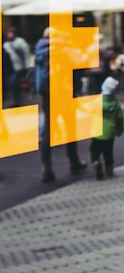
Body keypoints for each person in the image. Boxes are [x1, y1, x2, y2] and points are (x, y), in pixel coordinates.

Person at [34, 27, 87, 183]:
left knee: (48, 131)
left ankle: (46, 168)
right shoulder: (65, 49)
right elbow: (82, 63)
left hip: (47, 93)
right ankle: (74, 162)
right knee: (70, 127)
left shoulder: (41, 50)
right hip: (64, 92)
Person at [90, 76, 123, 180]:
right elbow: (120, 119)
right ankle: (109, 169)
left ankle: (96, 162)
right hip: (109, 133)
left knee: (94, 150)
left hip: (97, 131)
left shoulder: (97, 101)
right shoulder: (116, 105)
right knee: (108, 152)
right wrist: (119, 130)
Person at [3, 27, 31, 107]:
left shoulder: (20, 42)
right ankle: (17, 100)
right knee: (14, 84)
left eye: (10, 33)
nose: (8, 35)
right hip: (11, 68)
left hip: (19, 67)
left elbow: (26, 54)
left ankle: (18, 101)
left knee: (14, 82)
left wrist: (27, 65)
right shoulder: (6, 44)